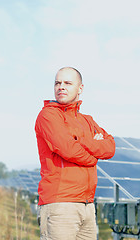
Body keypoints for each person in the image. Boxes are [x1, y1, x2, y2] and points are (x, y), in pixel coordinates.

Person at [35, 67, 115, 240]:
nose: (61, 87)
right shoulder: (48, 115)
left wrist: (80, 140)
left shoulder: (87, 120)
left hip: (87, 205)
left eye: (67, 83)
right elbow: (68, 149)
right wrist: (93, 155)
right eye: (57, 83)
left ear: (80, 88)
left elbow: (110, 147)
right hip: (60, 204)